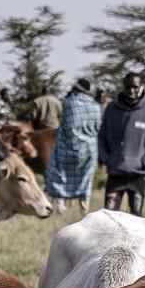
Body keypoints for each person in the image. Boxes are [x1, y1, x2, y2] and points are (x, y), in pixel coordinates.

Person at [97, 72, 145, 214]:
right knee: (109, 216)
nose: (131, 91)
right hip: (115, 174)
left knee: (136, 217)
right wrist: (107, 159)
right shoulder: (112, 109)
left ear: (141, 87)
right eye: (128, 87)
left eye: (135, 87)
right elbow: (101, 138)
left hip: (138, 176)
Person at [46, 78, 101, 208]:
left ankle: (60, 202)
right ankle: (84, 202)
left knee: (58, 172)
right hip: (89, 149)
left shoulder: (70, 103)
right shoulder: (96, 106)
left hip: (68, 147)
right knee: (86, 176)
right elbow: (98, 128)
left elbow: (65, 125)